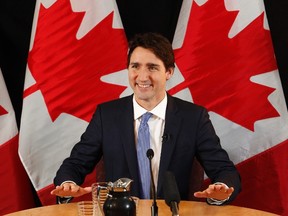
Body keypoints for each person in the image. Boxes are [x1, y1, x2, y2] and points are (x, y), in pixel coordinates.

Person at [51, 32, 241, 205]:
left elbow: (225, 170)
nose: (142, 76)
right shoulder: (106, 115)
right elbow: (75, 164)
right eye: (135, 66)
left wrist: (221, 188)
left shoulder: (193, 117)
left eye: (152, 67)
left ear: (169, 72)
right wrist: (68, 184)